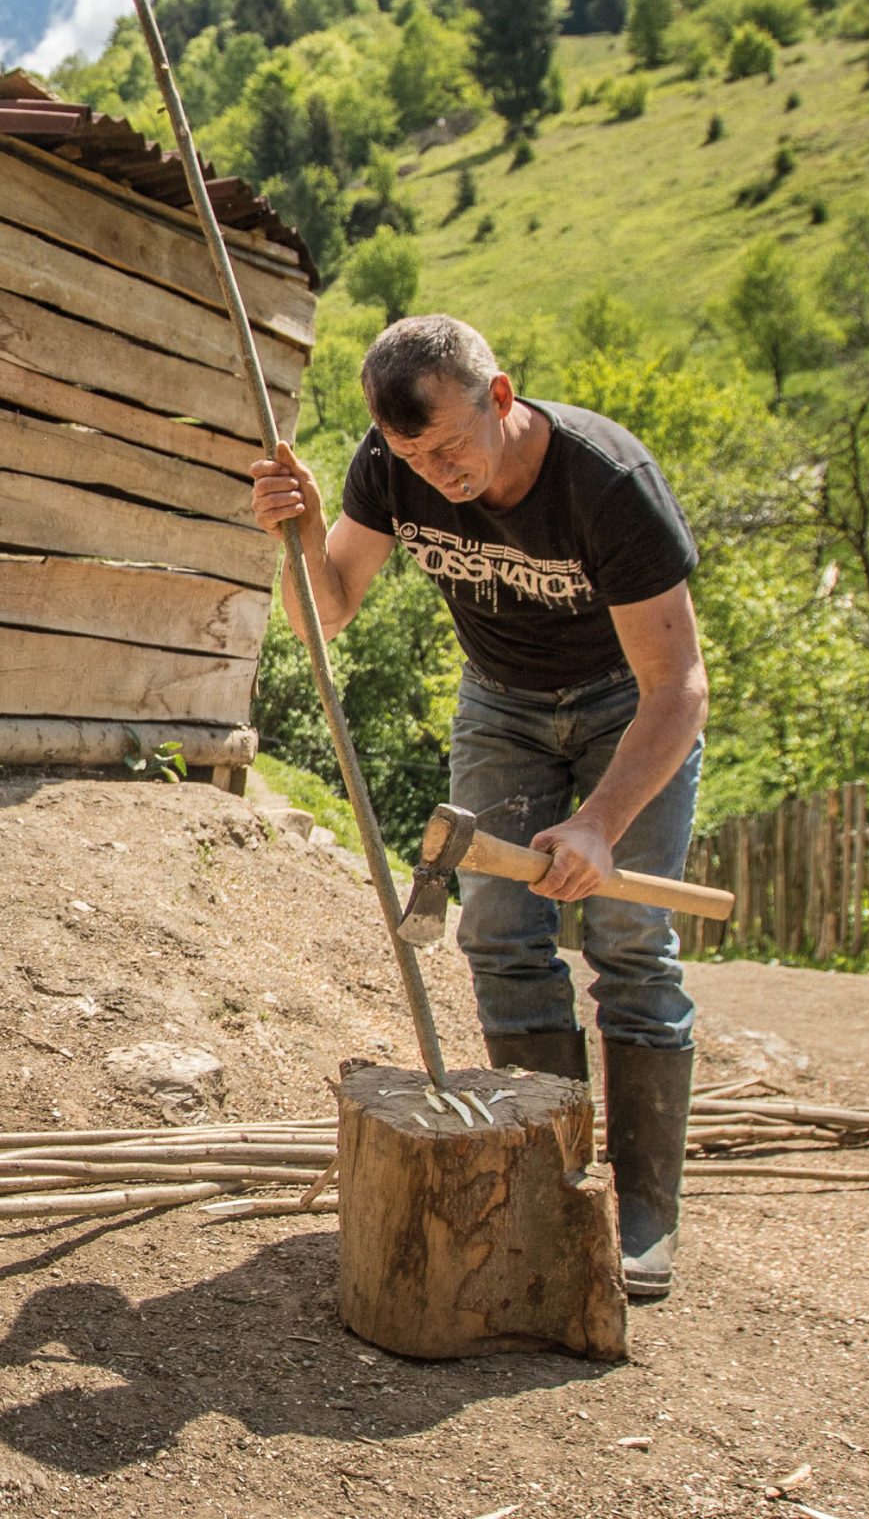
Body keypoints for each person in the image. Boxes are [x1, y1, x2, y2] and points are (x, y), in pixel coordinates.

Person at [250, 315, 708, 1299]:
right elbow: (323, 616)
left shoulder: (605, 484)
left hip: (628, 703)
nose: (436, 471)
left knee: (630, 935)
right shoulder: (392, 464)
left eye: (453, 444)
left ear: (500, 397)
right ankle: (549, 1178)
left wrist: (599, 823)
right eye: (413, 454)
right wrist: (298, 532)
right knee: (498, 933)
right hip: (500, 704)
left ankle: (642, 1215)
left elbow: (680, 687)